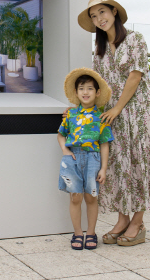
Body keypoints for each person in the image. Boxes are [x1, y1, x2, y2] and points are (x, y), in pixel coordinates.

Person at [77, 0, 150, 247]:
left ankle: (138, 221)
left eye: (102, 13)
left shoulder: (135, 39)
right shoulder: (99, 50)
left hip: (138, 112)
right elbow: (98, 85)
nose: (99, 19)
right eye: (94, 16)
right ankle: (122, 219)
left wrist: (118, 108)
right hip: (111, 114)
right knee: (120, 166)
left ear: (114, 12)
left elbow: (135, 76)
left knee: (140, 162)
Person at [58, 68, 112, 250]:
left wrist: (103, 168)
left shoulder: (101, 117)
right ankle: (77, 233)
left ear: (97, 93)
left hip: (92, 159)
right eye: (81, 88)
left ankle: (91, 232)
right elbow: (60, 135)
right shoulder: (70, 115)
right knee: (75, 197)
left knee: (91, 197)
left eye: (90, 89)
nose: (85, 92)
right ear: (76, 92)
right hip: (72, 158)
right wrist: (65, 151)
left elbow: (104, 143)